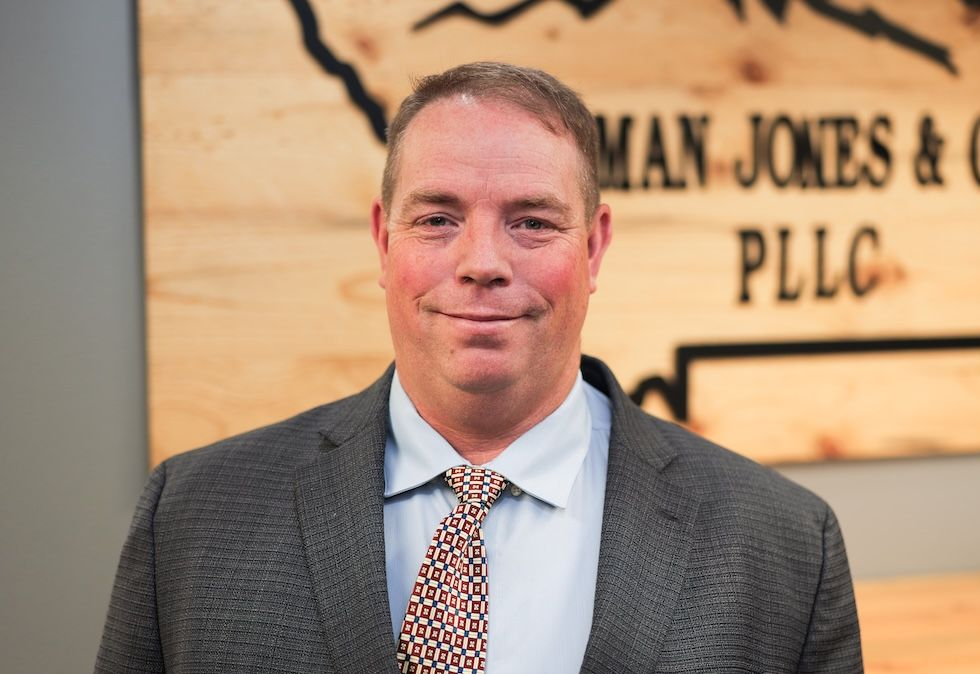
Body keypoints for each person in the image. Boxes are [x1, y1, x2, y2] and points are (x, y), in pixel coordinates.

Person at [96, 62, 862, 673]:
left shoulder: (783, 546)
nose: (482, 263)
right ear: (383, 240)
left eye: (531, 221)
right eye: (438, 219)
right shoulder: (192, 517)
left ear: (594, 247)